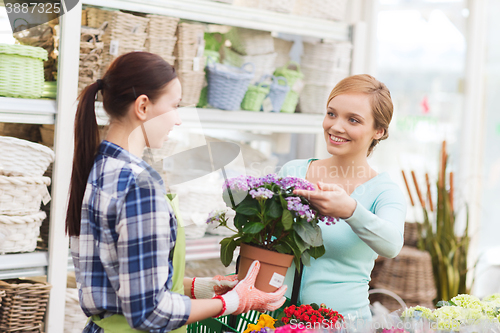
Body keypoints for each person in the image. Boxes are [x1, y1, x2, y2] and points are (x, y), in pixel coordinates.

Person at [66, 52, 287, 333]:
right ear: (143, 106)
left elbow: (126, 280)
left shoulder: (100, 167)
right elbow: (150, 312)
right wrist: (233, 301)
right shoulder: (139, 186)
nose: (178, 120)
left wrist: (202, 287)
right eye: (174, 106)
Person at [278, 74, 407, 321]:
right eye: (331, 113)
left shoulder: (384, 191)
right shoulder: (294, 172)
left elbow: (391, 245)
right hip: (278, 318)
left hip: (341, 323)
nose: (336, 126)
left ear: (379, 131)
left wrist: (350, 210)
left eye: (353, 120)